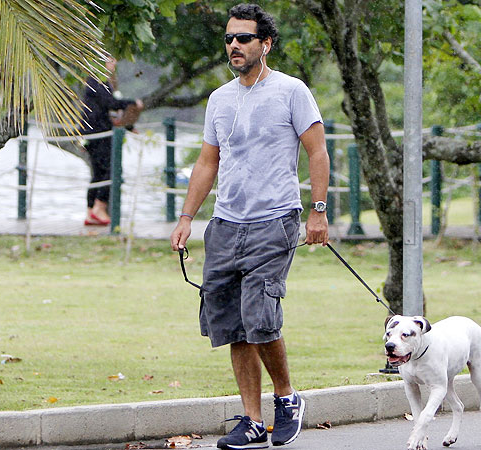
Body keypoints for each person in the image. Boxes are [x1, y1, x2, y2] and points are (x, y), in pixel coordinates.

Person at [170, 4, 330, 449]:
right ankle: (253, 420)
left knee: (260, 317)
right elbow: (208, 161)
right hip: (225, 224)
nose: (234, 46)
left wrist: (317, 211)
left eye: (243, 38)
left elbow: (317, 151)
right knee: (230, 324)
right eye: (229, 39)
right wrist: (186, 217)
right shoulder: (220, 99)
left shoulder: (291, 91)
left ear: (266, 44)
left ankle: (287, 398)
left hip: (274, 220)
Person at [81, 57, 143, 226]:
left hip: (97, 131)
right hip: (97, 133)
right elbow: (111, 104)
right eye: (109, 60)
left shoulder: (101, 82)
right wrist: (132, 103)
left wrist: (129, 126)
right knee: (108, 170)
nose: (113, 64)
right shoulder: (96, 81)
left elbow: (108, 110)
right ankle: (98, 207)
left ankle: (92, 211)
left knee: (99, 173)